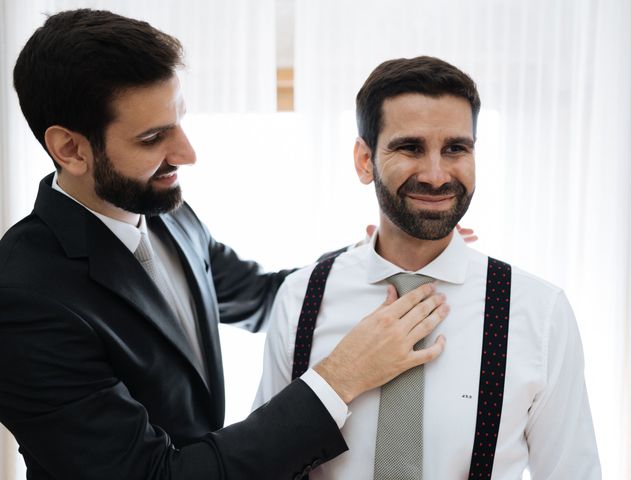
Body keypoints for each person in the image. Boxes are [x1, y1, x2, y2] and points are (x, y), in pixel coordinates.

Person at [0, 10, 452, 480]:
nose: (187, 154)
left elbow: (262, 295)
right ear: (71, 149)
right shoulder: (23, 298)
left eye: (179, 122)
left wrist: (382, 252)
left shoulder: (167, 214)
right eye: (154, 138)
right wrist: (340, 378)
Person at [254, 56, 601, 479]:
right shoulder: (301, 297)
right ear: (365, 161)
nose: (437, 176)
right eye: (410, 147)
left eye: (456, 148)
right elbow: (263, 464)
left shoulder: (539, 311)